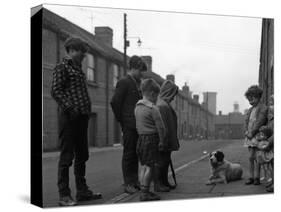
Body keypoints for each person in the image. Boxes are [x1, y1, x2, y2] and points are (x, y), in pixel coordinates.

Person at [51, 37, 102, 206]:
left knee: (83, 155)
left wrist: (84, 112)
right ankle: (64, 195)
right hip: (69, 118)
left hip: (82, 118)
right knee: (67, 156)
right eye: (82, 52)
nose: (84, 56)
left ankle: (82, 191)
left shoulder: (78, 69)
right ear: (72, 50)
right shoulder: (62, 67)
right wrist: (71, 108)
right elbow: (56, 91)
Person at [110, 56, 147, 194]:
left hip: (138, 125)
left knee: (136, 153)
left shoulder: (138, 84)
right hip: (129, 125)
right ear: (134, 67)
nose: (142, 74)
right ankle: (128, 183)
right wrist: (123, 120)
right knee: (129, 154)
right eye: (141, 71)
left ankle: (134, 181)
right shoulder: (124, 82)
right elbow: (115, 102)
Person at [135, 79, 166, 201]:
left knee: (143, 165)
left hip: (141, 139)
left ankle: (144, 190)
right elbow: (161, 128)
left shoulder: (137, 107)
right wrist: (162, 141)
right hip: (151, 139)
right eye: (157, 96)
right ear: (153, 94)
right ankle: (145, 193)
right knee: (150, 167)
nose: (157, 99)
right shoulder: (153, 109)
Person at [154, 80, 179, 192]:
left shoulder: (163, 104)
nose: (173, 97)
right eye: (173, 94)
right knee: (161, 162)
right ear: (168, 92)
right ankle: (158, 184)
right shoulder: (162, 106)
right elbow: (162, 126)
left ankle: (164, 182)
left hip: (166, 139)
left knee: (165, 161)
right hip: (163, 139)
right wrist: (163, 141)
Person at [244, 85, 268, 186]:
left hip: (258, 136)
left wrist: (252, 133)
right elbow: (246, 121)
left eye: (252, 99)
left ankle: (257, 177)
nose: (251, 101)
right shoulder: (250, 110)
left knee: (257, 157)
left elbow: (260, 121)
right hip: (249, 137)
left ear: (258, 97)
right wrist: (246, 131)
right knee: (250, 157)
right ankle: (251, 177)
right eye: (249, 99)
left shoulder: (263, 108)